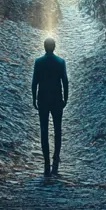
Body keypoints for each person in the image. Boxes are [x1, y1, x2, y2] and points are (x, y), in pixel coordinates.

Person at [32, 37, 69, 177]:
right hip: (57, 100)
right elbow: (65, 81)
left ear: (44, 46)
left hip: (42, 99)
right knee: (58, 130)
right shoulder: (60, 62)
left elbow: (34, 82)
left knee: (44, 131)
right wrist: (66, 98)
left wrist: (33, 98)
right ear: (54, 47)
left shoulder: (38, 62)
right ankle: (55, 162)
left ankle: (46, 164)